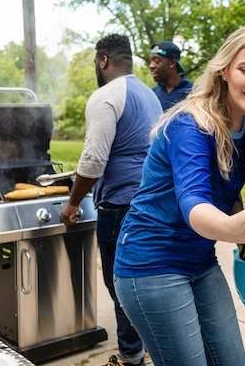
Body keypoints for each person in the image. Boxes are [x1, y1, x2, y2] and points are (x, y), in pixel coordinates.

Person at [113, 23, 245, 366]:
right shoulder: (192, 124)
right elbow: (194, 205)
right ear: (225, 70)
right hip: (150, 264)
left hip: (200, 262)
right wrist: (240, 229)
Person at [60, 33, 163, 366]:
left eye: (95, 61)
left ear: (103, 60)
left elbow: (93, 159)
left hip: (121, 206)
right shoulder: (149, 95)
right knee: (142, 278)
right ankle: (144, 345)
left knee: (120, 281)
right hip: (153, 201)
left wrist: (73, 202)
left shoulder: (106, 96)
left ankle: (130, 355)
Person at [149, 40, 194, 110]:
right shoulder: (152, 94)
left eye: (156, 61)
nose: (151, 65)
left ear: (172, 63)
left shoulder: (193, 93)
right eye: (151, 61)